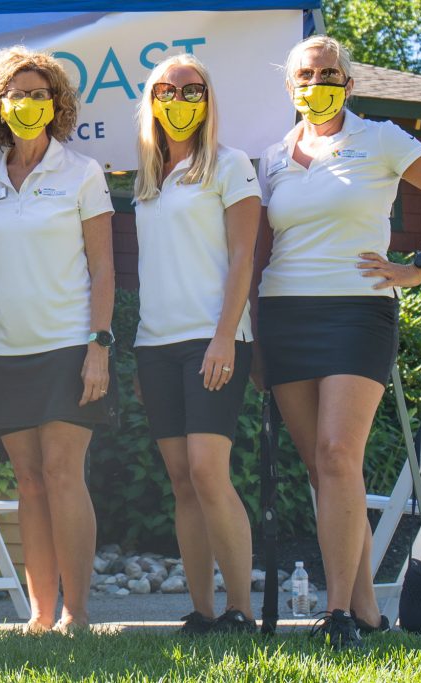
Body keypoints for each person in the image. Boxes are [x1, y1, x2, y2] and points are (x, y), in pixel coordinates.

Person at [255, 35, 421, 649]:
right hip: (283, 316)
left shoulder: (381, 137)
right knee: (320, 469)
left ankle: (335, 616)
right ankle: (366, 613)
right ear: (290, 85)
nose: (317, 82)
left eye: (329, 74)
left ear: (349, 83)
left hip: (358, 313)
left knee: (337, 454)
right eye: (305, 74)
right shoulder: (272, 157)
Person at [0, 46, 115, 633]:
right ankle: (40, 612)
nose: (27, 103)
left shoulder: (83, 172)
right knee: (28, 482)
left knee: (63, 475)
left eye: (38, 93)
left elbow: (104, 268)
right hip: (2, 350)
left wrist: (98, 345)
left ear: (55, 104)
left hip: (69, 347)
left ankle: (77, 615)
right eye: (16, 94)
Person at [132, 54, 260, 634]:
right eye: (167, 90)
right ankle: (204, 613)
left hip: (214, 341)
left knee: (210, 472)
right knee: (182, 479)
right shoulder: (145, 176)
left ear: (208, 102)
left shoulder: (231, 166)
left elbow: (243, 258)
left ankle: (241, 611)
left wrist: (225, 338)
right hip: (154, 346)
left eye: (192, 91)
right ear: (151, 100)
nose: (179, 101)